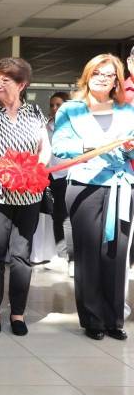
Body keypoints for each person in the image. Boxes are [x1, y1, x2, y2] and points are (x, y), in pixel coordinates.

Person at [53, 53, 134, 341]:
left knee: (115, 253)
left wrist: (129, 148)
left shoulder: (128, 110)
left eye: (109, 74)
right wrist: (91, 145)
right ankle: (93, 319)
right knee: (88, 255)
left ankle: (114, 319)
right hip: (85, 185)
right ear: (88, 75)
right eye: (97, 72)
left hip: (120, 186)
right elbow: (59, 146)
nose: (103, 77)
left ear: (116, 80)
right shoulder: (72, 109)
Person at [0, 57, 51, 337]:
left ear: (22, 84)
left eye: (6, 80)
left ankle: (17, 314)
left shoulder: (35, 113)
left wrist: (34, 169)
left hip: (29, 196)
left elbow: (45, 148)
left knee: (21, 256)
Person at [44, 91, 75, 277]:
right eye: (52, 105)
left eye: (59, 105)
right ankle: (61, 256)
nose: (55, 108)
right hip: (51, 175)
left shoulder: (72, 125)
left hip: (67, 174)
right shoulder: (46, 125)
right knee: (56, 216)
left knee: (67, 219)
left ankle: (72, 260)